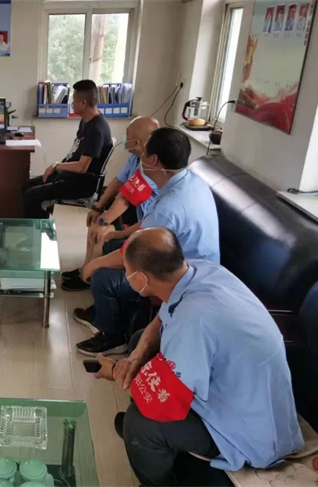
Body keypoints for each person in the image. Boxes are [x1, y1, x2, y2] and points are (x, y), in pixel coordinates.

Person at [94, 227, 303, 486]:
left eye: (127, 270)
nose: (125, 276)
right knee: (141, 342)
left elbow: (164, 398)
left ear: (139, 279)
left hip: (244, 430)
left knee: (140, 426)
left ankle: (154, 472)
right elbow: (163, 317)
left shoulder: (193, 321)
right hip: (248, 393)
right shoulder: (201, 271)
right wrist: (136, 356)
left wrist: (116, 371)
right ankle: (157, 443)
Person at [74, 127, 219, 356]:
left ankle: (112, 337)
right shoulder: (189, 181)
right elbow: (149, 224)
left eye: (144, 153)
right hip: (180, 260)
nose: (140, 157)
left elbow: (138, 250)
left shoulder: (171, 206)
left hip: (183, 279)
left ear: (154, 160)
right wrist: (118, 234)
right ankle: (112, 313)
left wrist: (93, 264)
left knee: (102, 277)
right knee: (111, 245)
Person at [61, 116, 160, 293]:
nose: (124, 137)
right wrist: (98, 207)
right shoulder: (135, 158)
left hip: (144, 219)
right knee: (96, 221)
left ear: (137, 143)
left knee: (102, 231)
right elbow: (118, 181)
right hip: (134, 209)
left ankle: (89, 277)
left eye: (127, 134)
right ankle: (85, 268)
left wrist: (104, 221)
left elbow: (126, 199)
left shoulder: (152, 166)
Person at [22, 80, 113, 219]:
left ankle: (38, 229)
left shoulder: (96, 130)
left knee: (32, 195)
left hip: (80, 183)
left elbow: (82, 167)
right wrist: (58, 168)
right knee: (27, 186)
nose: (72, 103)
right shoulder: (86, 121)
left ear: (83, 102)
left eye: (74, 100)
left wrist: (56, 166)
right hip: (70, 175)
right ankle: (41, 224)